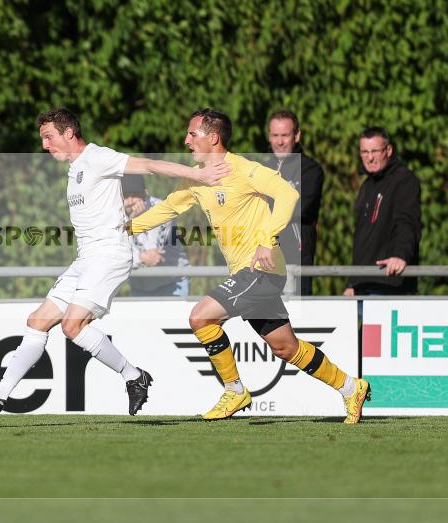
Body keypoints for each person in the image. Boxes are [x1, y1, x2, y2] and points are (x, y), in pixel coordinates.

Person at [0, 108, 229, 416]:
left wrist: (198, 173)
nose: (45, 146)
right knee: (38, 321)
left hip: (109, 254)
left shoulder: (98, 157)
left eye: (49, 138)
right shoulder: (74, 168)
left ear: (69, 133)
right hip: (86, 258)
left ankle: (133, 376)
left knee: (73, 326)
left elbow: (149, 165)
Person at [130, 109, 370, 422]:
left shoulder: (242, 169)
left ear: (213, 138)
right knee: (286, 348)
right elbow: (166, 210)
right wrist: (124, 229)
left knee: (201, 318)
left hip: (261, 271)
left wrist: (267, 238)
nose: (186, 140)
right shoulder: (198, 178)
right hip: (248, 275)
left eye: (192, 134)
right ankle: (351, 387)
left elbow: (287, 192)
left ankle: (234, 391)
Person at [343, 127, 422, 296]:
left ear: (389, 150)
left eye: (375, 151)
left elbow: (407, 222)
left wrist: (400, 255)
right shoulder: (366, 186)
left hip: (388, 282)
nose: (369, 158)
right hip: (363, 283)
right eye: (364, 152)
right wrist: (352, 282)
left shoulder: (404, 180)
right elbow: (362, 240)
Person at [263, 109, 324, 295]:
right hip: (262, 256)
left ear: (296, 136)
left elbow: (298, 208)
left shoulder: (310, 170)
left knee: (295, 316)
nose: (279, 142)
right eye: (275, 135)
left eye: (285, 135)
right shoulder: (262, 169)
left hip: (294, 255)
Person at [122, 174, 190, 297]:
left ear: (145, 193)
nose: (130, 201)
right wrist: (141, 258)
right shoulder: (117, 215)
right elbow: (117, 253)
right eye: (126, 196)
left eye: (135, 195)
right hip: (140, 287)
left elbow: (154, 254)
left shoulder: (162, 209)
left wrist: (137, 221)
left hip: (173, 284)